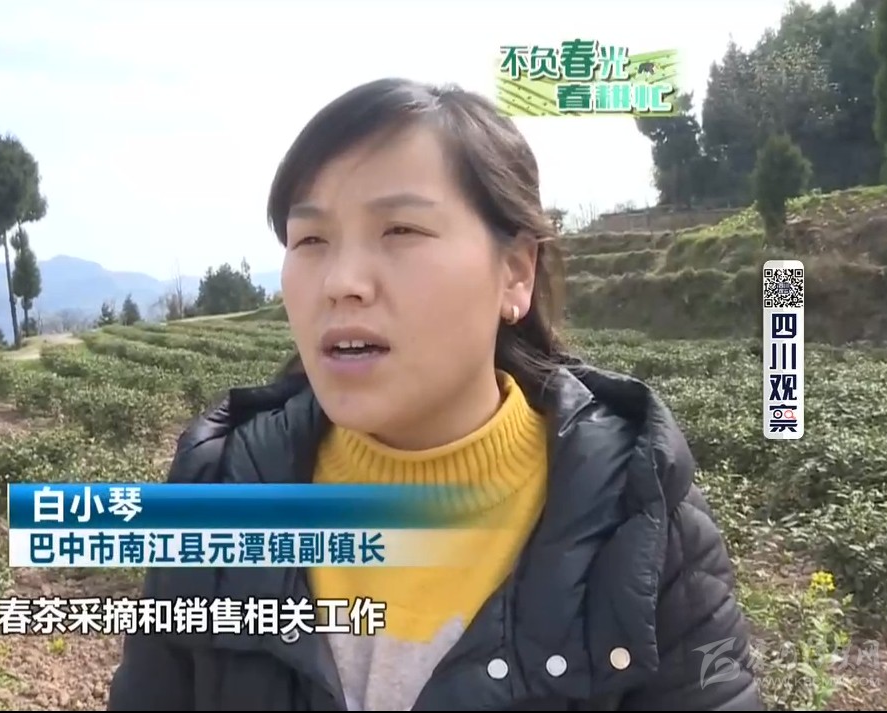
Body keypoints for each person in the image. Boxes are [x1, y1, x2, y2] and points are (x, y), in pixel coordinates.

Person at [106, 77, 763, 711]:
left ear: (515, 271)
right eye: (310, 239)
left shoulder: (637, 513)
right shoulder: (222, 492)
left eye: (400, 231)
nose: (341, 281)